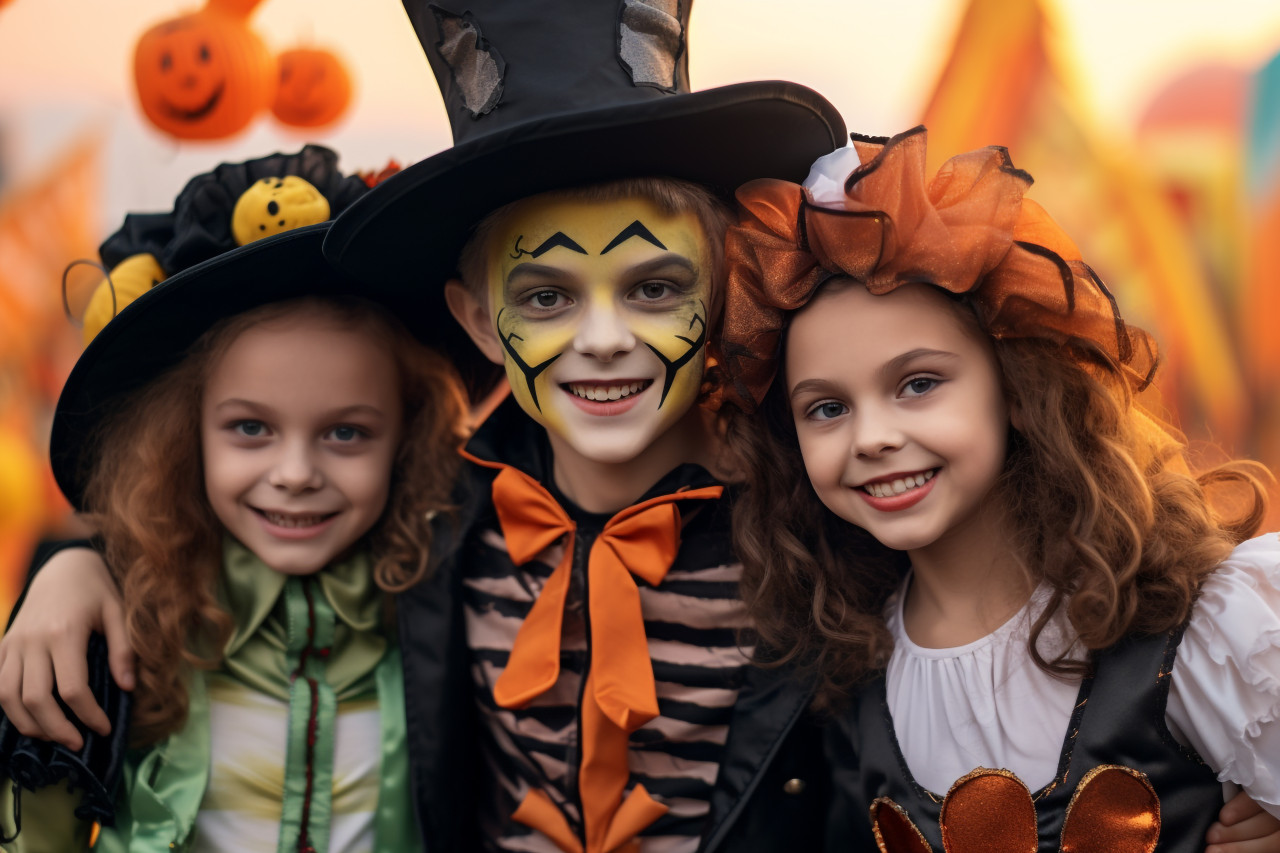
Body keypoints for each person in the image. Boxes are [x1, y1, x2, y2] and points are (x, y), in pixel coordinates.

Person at [0, 1, 852, 851]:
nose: (602, 341)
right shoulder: (441, 526)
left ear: (723, 292)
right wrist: (73, 567)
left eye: (656, 288)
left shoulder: (808, 522)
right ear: (480, 323)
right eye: (546, 296)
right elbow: (212, 549)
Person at [716, 126, 1280, 851]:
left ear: (1016, 389)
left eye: (918, 383)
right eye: (827, 407)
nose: (871, 437)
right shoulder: (842, 679)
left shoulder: (1209, 628)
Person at [0, 222, 468, 850]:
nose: (296, 474)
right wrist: (72, 568)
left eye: (346, 433)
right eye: (250, 428)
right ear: (183, 435)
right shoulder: (120, 624)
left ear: (409, 439)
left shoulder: (453, 608)